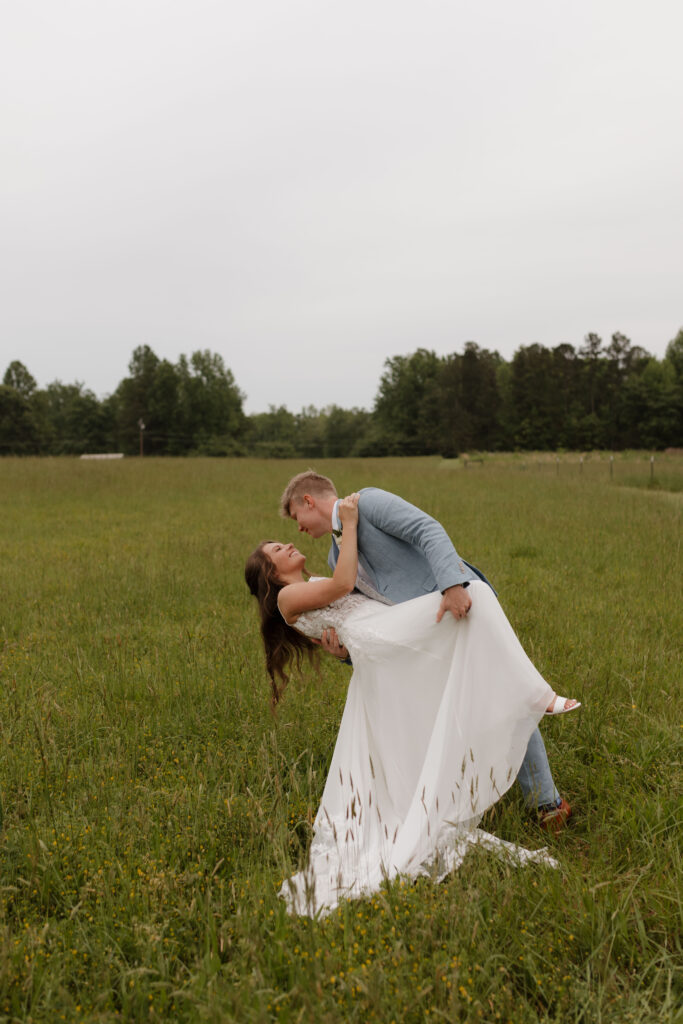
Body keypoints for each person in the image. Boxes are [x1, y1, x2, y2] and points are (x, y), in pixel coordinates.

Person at [245, 494, 580, 916]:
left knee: (474, 623)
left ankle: (534, 704)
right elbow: (346, 585)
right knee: (475, 595)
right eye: (277, 549)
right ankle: (536, 697)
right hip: (383, 636)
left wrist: (342, 647)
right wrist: (348, 524)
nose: (290, 542)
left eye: (288, 532)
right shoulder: (287, 599)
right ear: (270, 573)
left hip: (382, 639)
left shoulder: (315, 577)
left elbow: (350, 602)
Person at [280, 471, 576, 831]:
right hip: (429, 637)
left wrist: (452, 585)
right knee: (470, 709)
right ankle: (489, 792)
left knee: (504, 698)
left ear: (308, 501)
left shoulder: (368, 502)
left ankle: (548, 804)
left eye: (297, 519)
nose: (299, 530)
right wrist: (344, 654)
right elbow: (370, 620)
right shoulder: (335, 556)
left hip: (460, 605)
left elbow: (427, 529)